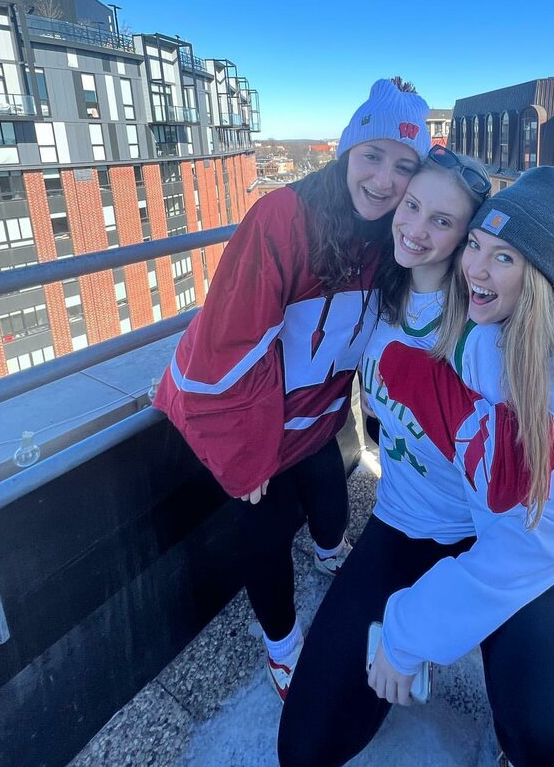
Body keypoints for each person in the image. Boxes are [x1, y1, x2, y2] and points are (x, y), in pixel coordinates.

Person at [279, 164, 554, 767]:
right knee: (306, 743)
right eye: (475, 246)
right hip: (446, 512)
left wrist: (412, 630)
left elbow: (523, 502)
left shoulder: (540, 335)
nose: (420, 231)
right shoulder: (393, 289)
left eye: (445, 222)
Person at [152, 77, 430, 701]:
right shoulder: (283, 218)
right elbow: (230, 344)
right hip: (258, 417)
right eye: (373, 156)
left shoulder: (396, 239)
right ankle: (281, 648)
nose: (385, 180)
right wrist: (247, 452)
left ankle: (329, 553)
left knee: (330, 499)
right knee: (264, 529)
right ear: (347, 151)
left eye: (404, 166)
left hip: (316, 414)